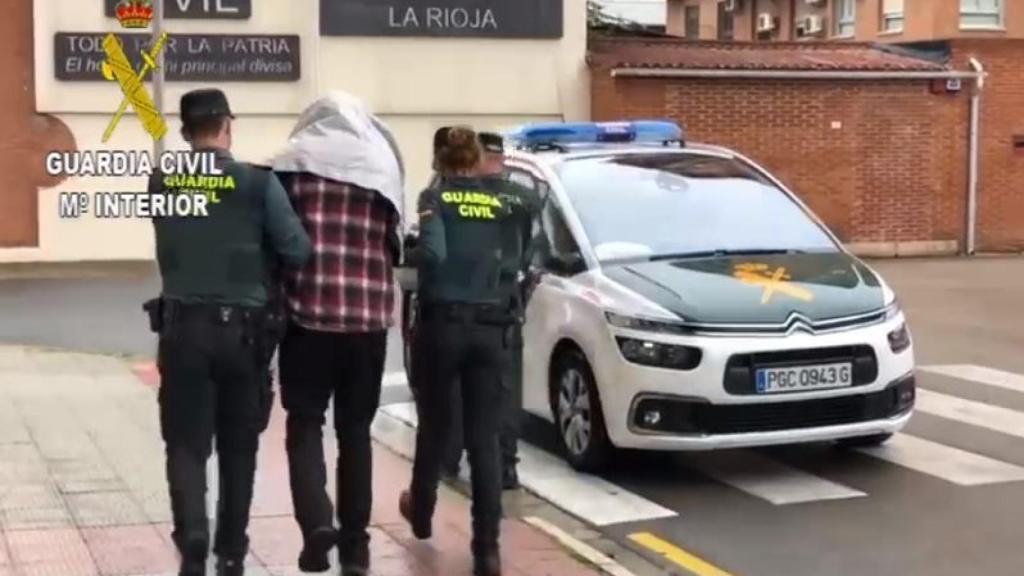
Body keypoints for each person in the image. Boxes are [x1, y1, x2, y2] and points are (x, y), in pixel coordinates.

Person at [147, 88, 312, 576]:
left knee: (185, 441)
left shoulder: (162, 181)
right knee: (239, 445)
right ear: (226, 127)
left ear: (184, 131)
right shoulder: (258, 184)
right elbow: (297, 250)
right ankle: (233, 547)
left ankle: (193, 535)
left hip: (182, 332)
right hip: (245, 335)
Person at [271, 93, 406, 576]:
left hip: (307, 322)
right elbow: (397, 244)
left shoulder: (289, 170)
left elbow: (278, 242)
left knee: (304, 425)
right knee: (355, 435)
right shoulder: (383, 173)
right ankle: (356, 546)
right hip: (366, 327)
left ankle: (315, 525)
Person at [400, 126, 529, 576]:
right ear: (475, 160)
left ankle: (420, 508)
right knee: (484, 439)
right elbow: (524, 254)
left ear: (440, 162)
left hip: (443, 327)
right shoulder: (508, 201)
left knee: (434, 424)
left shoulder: (434, 199)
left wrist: (415, 252)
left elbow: (432, 254)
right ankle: (486, 549)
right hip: (492, 328)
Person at [436, 131, 543, 490]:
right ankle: (505, 467)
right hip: (506, 306)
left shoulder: (454, 195)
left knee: (453, 388)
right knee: (504, 390)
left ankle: (448, 459)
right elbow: (537, 252)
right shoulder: (527, 199)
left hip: (459, 306)